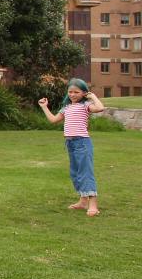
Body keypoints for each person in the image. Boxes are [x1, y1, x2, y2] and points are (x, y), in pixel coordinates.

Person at [38, 78, 105, 217]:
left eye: (76, 92)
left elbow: (100, 108)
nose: (73, 95)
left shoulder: (86, 105)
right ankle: (83, 201)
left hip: (82, 143)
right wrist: (44, 106)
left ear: (84, 93)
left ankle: (93, 205)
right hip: (70, 144)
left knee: (86, 172)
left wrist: (93, 97)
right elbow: (53, 120)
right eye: (70, 92)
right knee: (76, 173)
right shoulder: (66, 108)